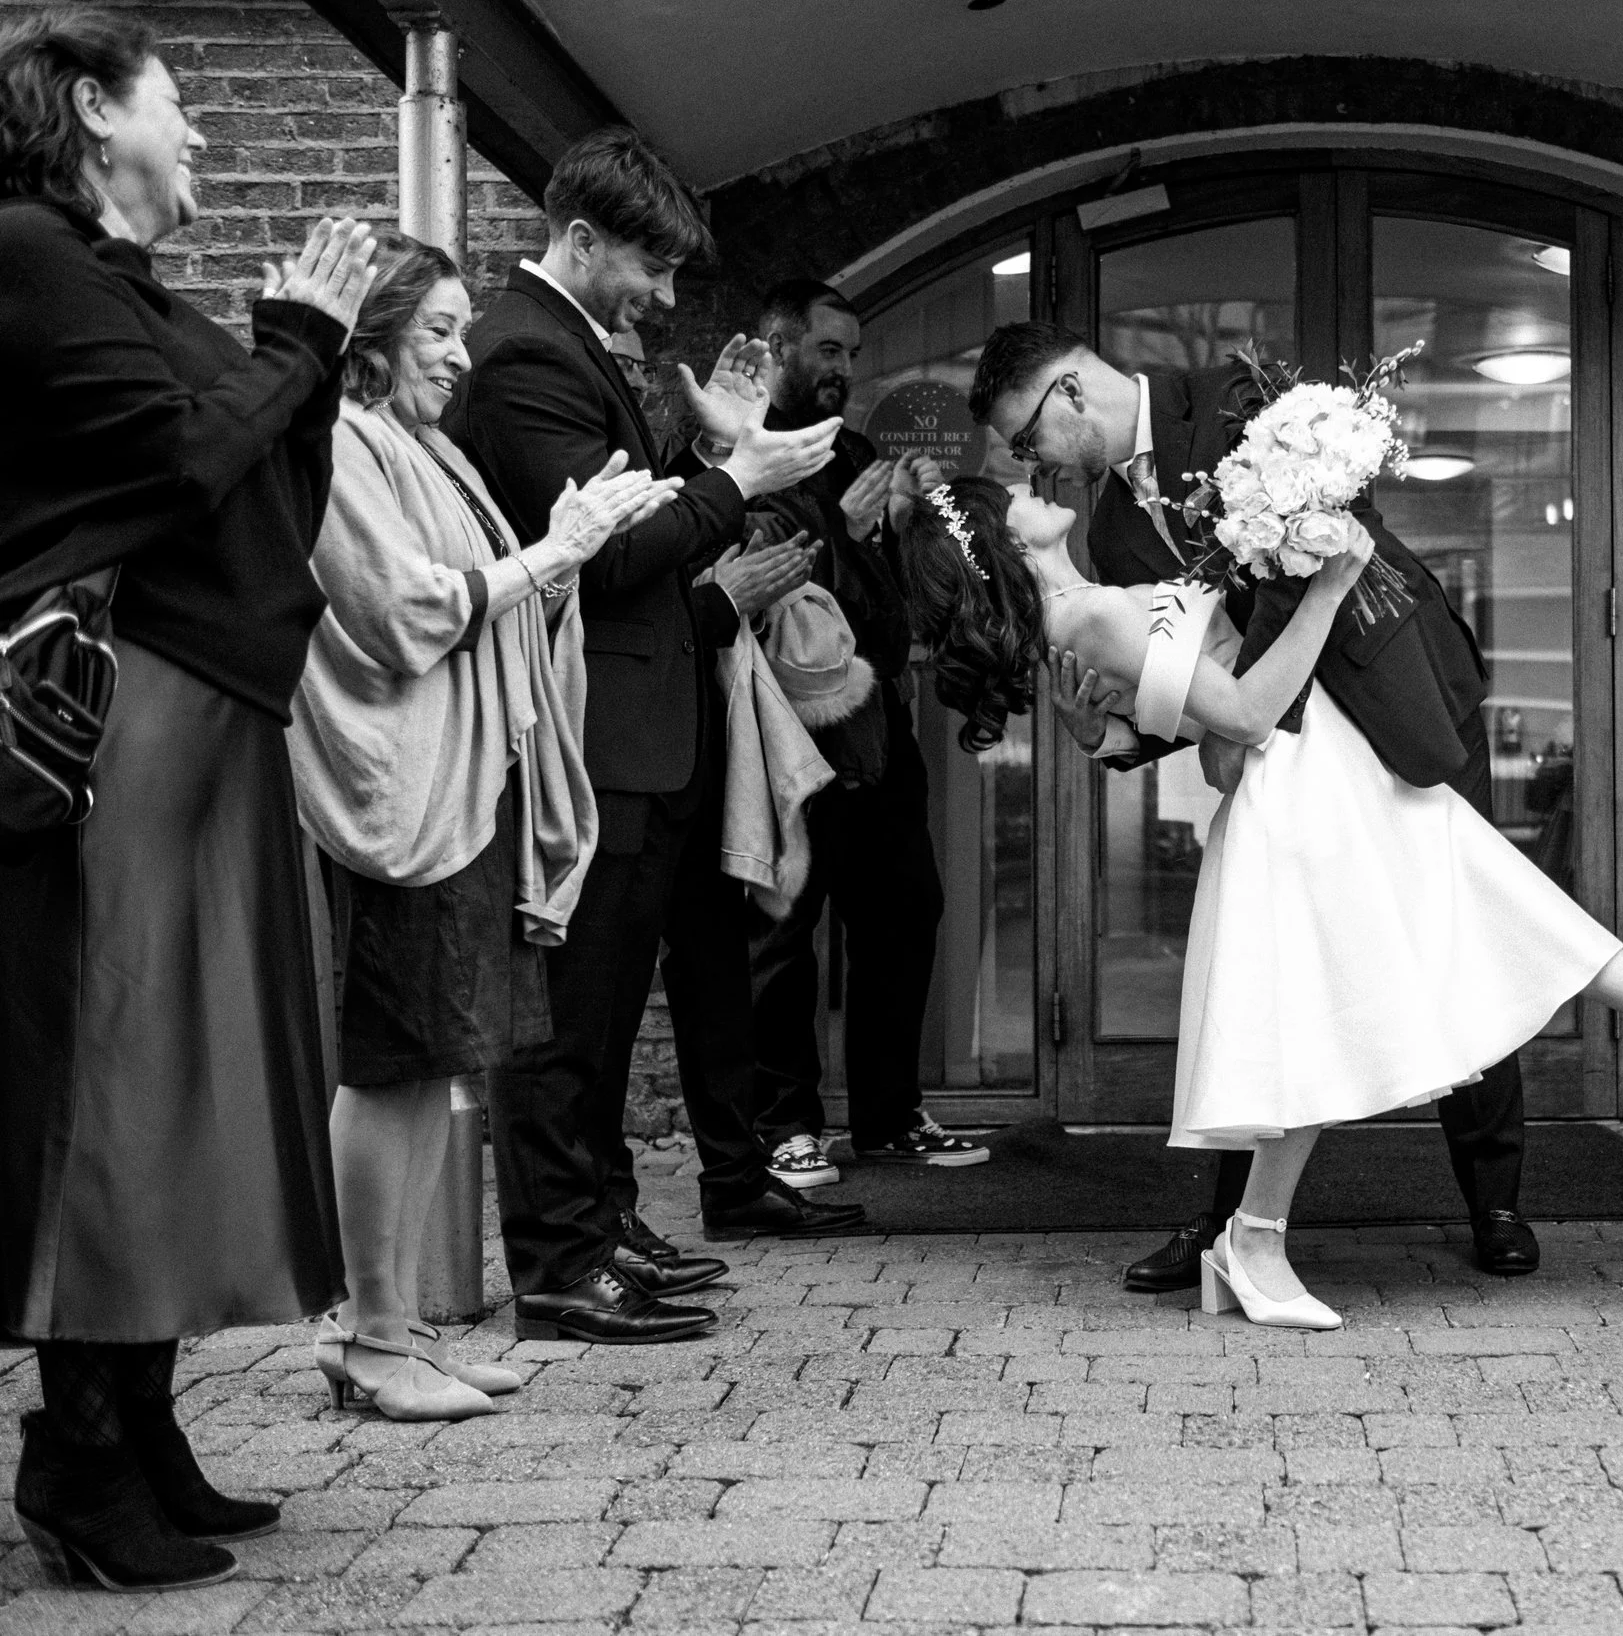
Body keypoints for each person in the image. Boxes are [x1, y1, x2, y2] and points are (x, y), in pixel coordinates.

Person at [899, 477, 1623, 1327]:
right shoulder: (1089, 613)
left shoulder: (1091, 605)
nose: (1029, 483)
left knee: (1503, 904)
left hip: (1330, 773)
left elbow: (1197, 717)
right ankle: (1255, 1241)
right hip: (1299, 793)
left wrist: (1103, 728)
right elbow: (1245, 716)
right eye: (1011, 491)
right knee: (1336, 1010)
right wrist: (1329, 589)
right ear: (1000, 540)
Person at [0, 8, 376, 1590]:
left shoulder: (131, 286)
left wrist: (303, 354)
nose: (207, 134)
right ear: (96, 110)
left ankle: (136, 1430)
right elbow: (169, 467)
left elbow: (263, 477)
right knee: (122, 1081)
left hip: (206, 718)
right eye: (184, 106)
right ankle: (78, 1463)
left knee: (178, 1081)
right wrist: (296, 345)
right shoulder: (27, 249)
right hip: (125, 726)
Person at [971, 327, 1544, 1282]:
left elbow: (1312, 557)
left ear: (1069, 393)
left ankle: (1497, 1199)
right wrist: (1106, 735)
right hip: (1281, 751)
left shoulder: (1238, 401)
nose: (1037, 467)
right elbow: (1172, 679)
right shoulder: (1108, 530)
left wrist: (1240, 711)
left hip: (1396, 700)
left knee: (1453, 928)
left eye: (1028, 440)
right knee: (1258, 969)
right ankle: (1224, 1222)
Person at [443, 127, 860, 1345]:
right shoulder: (523, 355)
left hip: (641, 731)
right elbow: (616, 550)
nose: (664, 296)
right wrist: (733, 468)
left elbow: (633, 500)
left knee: (613, 1015)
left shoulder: (573, 344)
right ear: (579, 239)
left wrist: (698, 452)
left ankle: (605, 1224)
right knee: (569, 1021)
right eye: (651, 269)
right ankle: (560, 1262)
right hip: (593, 733)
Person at [289, 235, 682, 1418]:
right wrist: (555, 554)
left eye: (464, 329)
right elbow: (413, 614)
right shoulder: (343, 443)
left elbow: (496, 599)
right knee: (391, 1061)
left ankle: (397, 1326)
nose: (463, 357)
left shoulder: (421, 443)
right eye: (438, 332)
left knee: (431, 1064)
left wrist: (563, 552)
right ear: (370, 336)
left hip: (457, 791)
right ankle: (369, 1335)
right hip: (400, 796)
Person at [742, 280, 982, 1186]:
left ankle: (887, 1116)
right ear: (778, 348)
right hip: (786, 734)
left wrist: (909, 528)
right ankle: (783, 1124)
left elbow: (887, 617)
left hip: (878, 728)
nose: (846, 368)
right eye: (828, 351)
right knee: (782, 932)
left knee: (906, 909)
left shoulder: (858, 451)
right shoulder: (745, 450)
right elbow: (773, 589)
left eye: (852, 351)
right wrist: (846, 536)